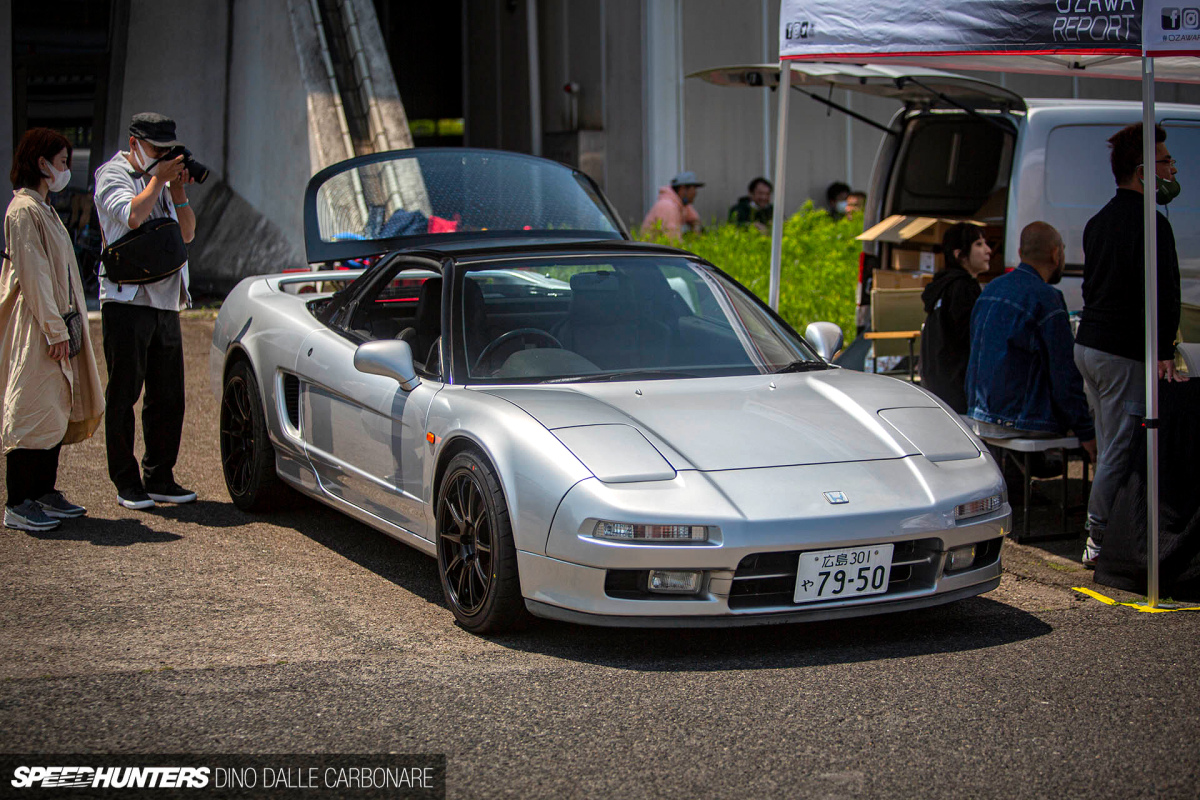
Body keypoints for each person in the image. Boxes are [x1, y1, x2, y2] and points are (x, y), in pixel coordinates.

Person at [1074, 122, 1187, 567]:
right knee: (1120, 447)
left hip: (1089, 348)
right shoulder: (1151, 224)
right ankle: (1098, 533)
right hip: (1122, 352)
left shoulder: (1098, 221)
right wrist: (1163, 352)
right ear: (1143, 171)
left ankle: (1108, 528)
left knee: (1108, 446)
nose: (1173, 169)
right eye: (1166, 162)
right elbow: (1165, 293)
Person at [1, 128, 104, 531]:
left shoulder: (44, 208)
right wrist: (54, 329)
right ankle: (17, 501)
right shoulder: (23, 210)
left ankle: (43, 491)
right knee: (30, 407)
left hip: (53, 324)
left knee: (54, 406)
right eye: (61, 162)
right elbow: (34, 275)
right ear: (41, 164)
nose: (65, 169)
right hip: (38, 328)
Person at [93, 112, 197, 510]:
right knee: (124, 393)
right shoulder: (112, 174)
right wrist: (158, 180)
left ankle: (160, 476)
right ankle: (126, 481)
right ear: (135, 142)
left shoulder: (165, 183)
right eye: (157, 149)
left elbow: (186, 234)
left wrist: (179, 192)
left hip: (167, 299)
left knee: (168, 396)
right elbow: (133, 215)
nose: (164, 156)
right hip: (126, 300)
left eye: (168, 149)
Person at [964, 222, 1097, 463]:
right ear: (1056, 254)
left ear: (1020, 253)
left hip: (980, 414)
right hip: (1020, 418)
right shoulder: (1047, 298)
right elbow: (1064, 375)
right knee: (1101, 404)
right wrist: (1087, 433)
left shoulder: (991, 289)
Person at [918, 223, 990, 414]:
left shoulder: (943, 286)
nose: (988, 251)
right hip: (957, 389)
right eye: (979, 244)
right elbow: (972, 341)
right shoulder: (964, 288)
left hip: (937, 384)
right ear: (959, 254)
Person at [641, 171, 704, 239]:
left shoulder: (680, 203)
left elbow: (695, 220)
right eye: (694, 189)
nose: (695, 193)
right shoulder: (668, 207)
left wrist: (696, 229)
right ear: (683, 189)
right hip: (652, 249)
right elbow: (672, 241)